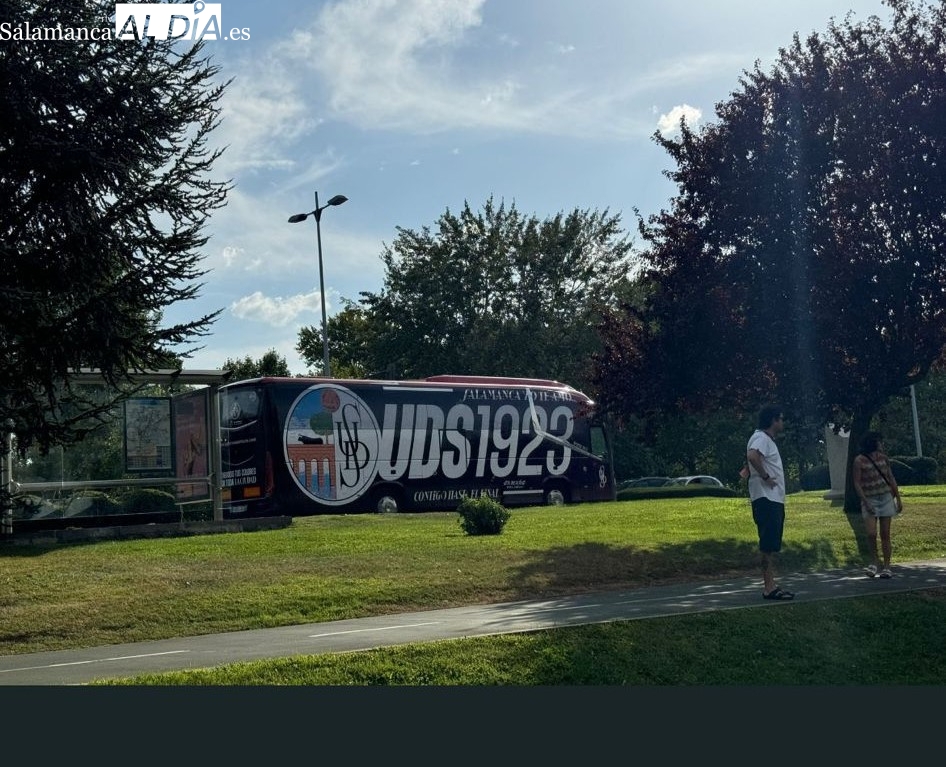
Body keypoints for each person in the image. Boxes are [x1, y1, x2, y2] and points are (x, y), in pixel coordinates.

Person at [746, 405, 793, 600]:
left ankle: (771, 584)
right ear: (773, 420)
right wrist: (765, 476)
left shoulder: (765, 440)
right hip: (767, 498)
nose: (782, 422)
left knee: (771, 544)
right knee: (767, 545)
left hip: (771, 498)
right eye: (780, 419)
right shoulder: (762, 438)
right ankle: (768, 587)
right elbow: (752, 456)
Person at [852, 431, 902, 579]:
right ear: (873, 443)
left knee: (885, 533)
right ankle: (874, 562)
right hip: (870, 498)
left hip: (885, 496)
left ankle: (887, 566)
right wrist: (865, 501)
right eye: (880, 441)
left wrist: (898, 498)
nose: (882, 444)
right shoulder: (859, 461)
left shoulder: (884, 458)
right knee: (871, 533)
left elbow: (890, 477)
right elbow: (857, 482)